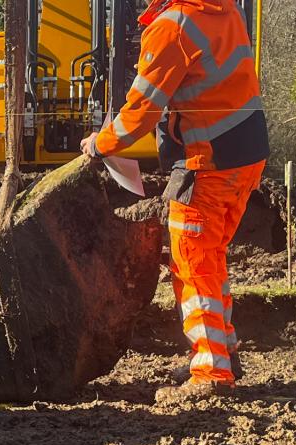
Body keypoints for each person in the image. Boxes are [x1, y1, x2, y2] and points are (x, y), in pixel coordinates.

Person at [81, 0, 269, 403]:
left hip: (210, 160)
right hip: (247, 156)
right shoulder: (226, 11)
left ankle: (212, 373)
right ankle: (221, 352)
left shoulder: (172, 26)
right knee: (211, 256)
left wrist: (100, 143)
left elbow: (140, 114)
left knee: (193, 261)